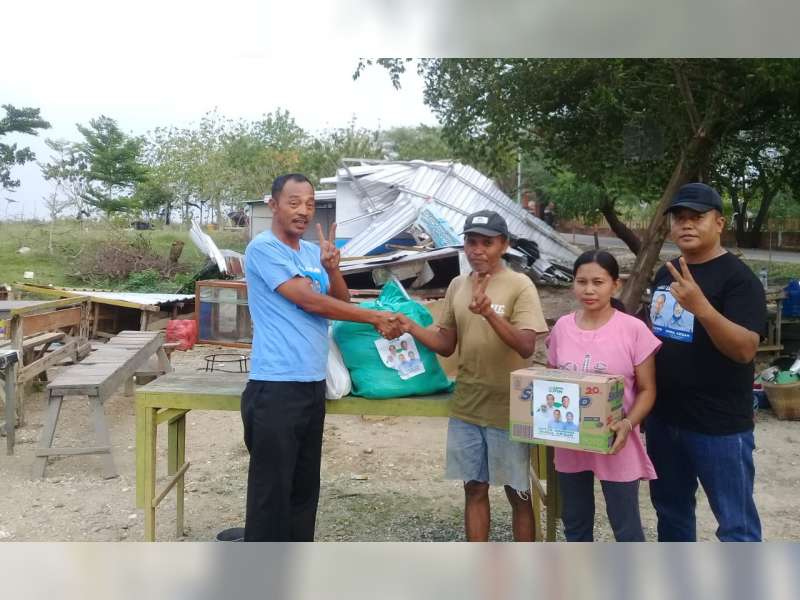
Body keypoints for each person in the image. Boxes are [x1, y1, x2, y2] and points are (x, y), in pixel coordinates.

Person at [241, 173, 403, 541]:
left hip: (312, 386)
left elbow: (339, 303)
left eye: (310, 204)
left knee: (303, 492)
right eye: (294, 202)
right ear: (273, 205)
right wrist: (375, 317)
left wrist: (332, 268)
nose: (303, 211)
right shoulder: (263, 248)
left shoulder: (312, 253)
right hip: (275, 387)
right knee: (271, 497)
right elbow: (310, 300)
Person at [396, 210, 548, 542]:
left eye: (487, 243)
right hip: (467, 407)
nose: (478, 250)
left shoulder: (520, 285)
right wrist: (411, 327)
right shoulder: (457, 285)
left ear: (504, 245)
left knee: (517, 493)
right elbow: (446, 344)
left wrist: (490, 314)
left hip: (509, 409)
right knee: (474, 489)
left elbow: (526, 346)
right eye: (471, 242)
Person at [646, 182, 766, 542]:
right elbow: (658, 338)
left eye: (696, 217)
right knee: (671, 514)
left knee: (736, 525)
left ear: (719, 223)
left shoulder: (739, 280)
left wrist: (702, 308)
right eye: (679, 217)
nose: (686, 224)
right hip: (665, 421)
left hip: (719, 427)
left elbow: (745, 350)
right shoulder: (667, 273)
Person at [547, 250, 661, 542]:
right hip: (570, 441)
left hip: (616, 440)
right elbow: (552, 381)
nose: (589, 290)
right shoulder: (562, 328)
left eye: (598, 282)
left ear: (615, 285)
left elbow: (647, 389)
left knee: (626, 527)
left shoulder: (633, 329)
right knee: (575, 523)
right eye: (581, 282)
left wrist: (628, 423)